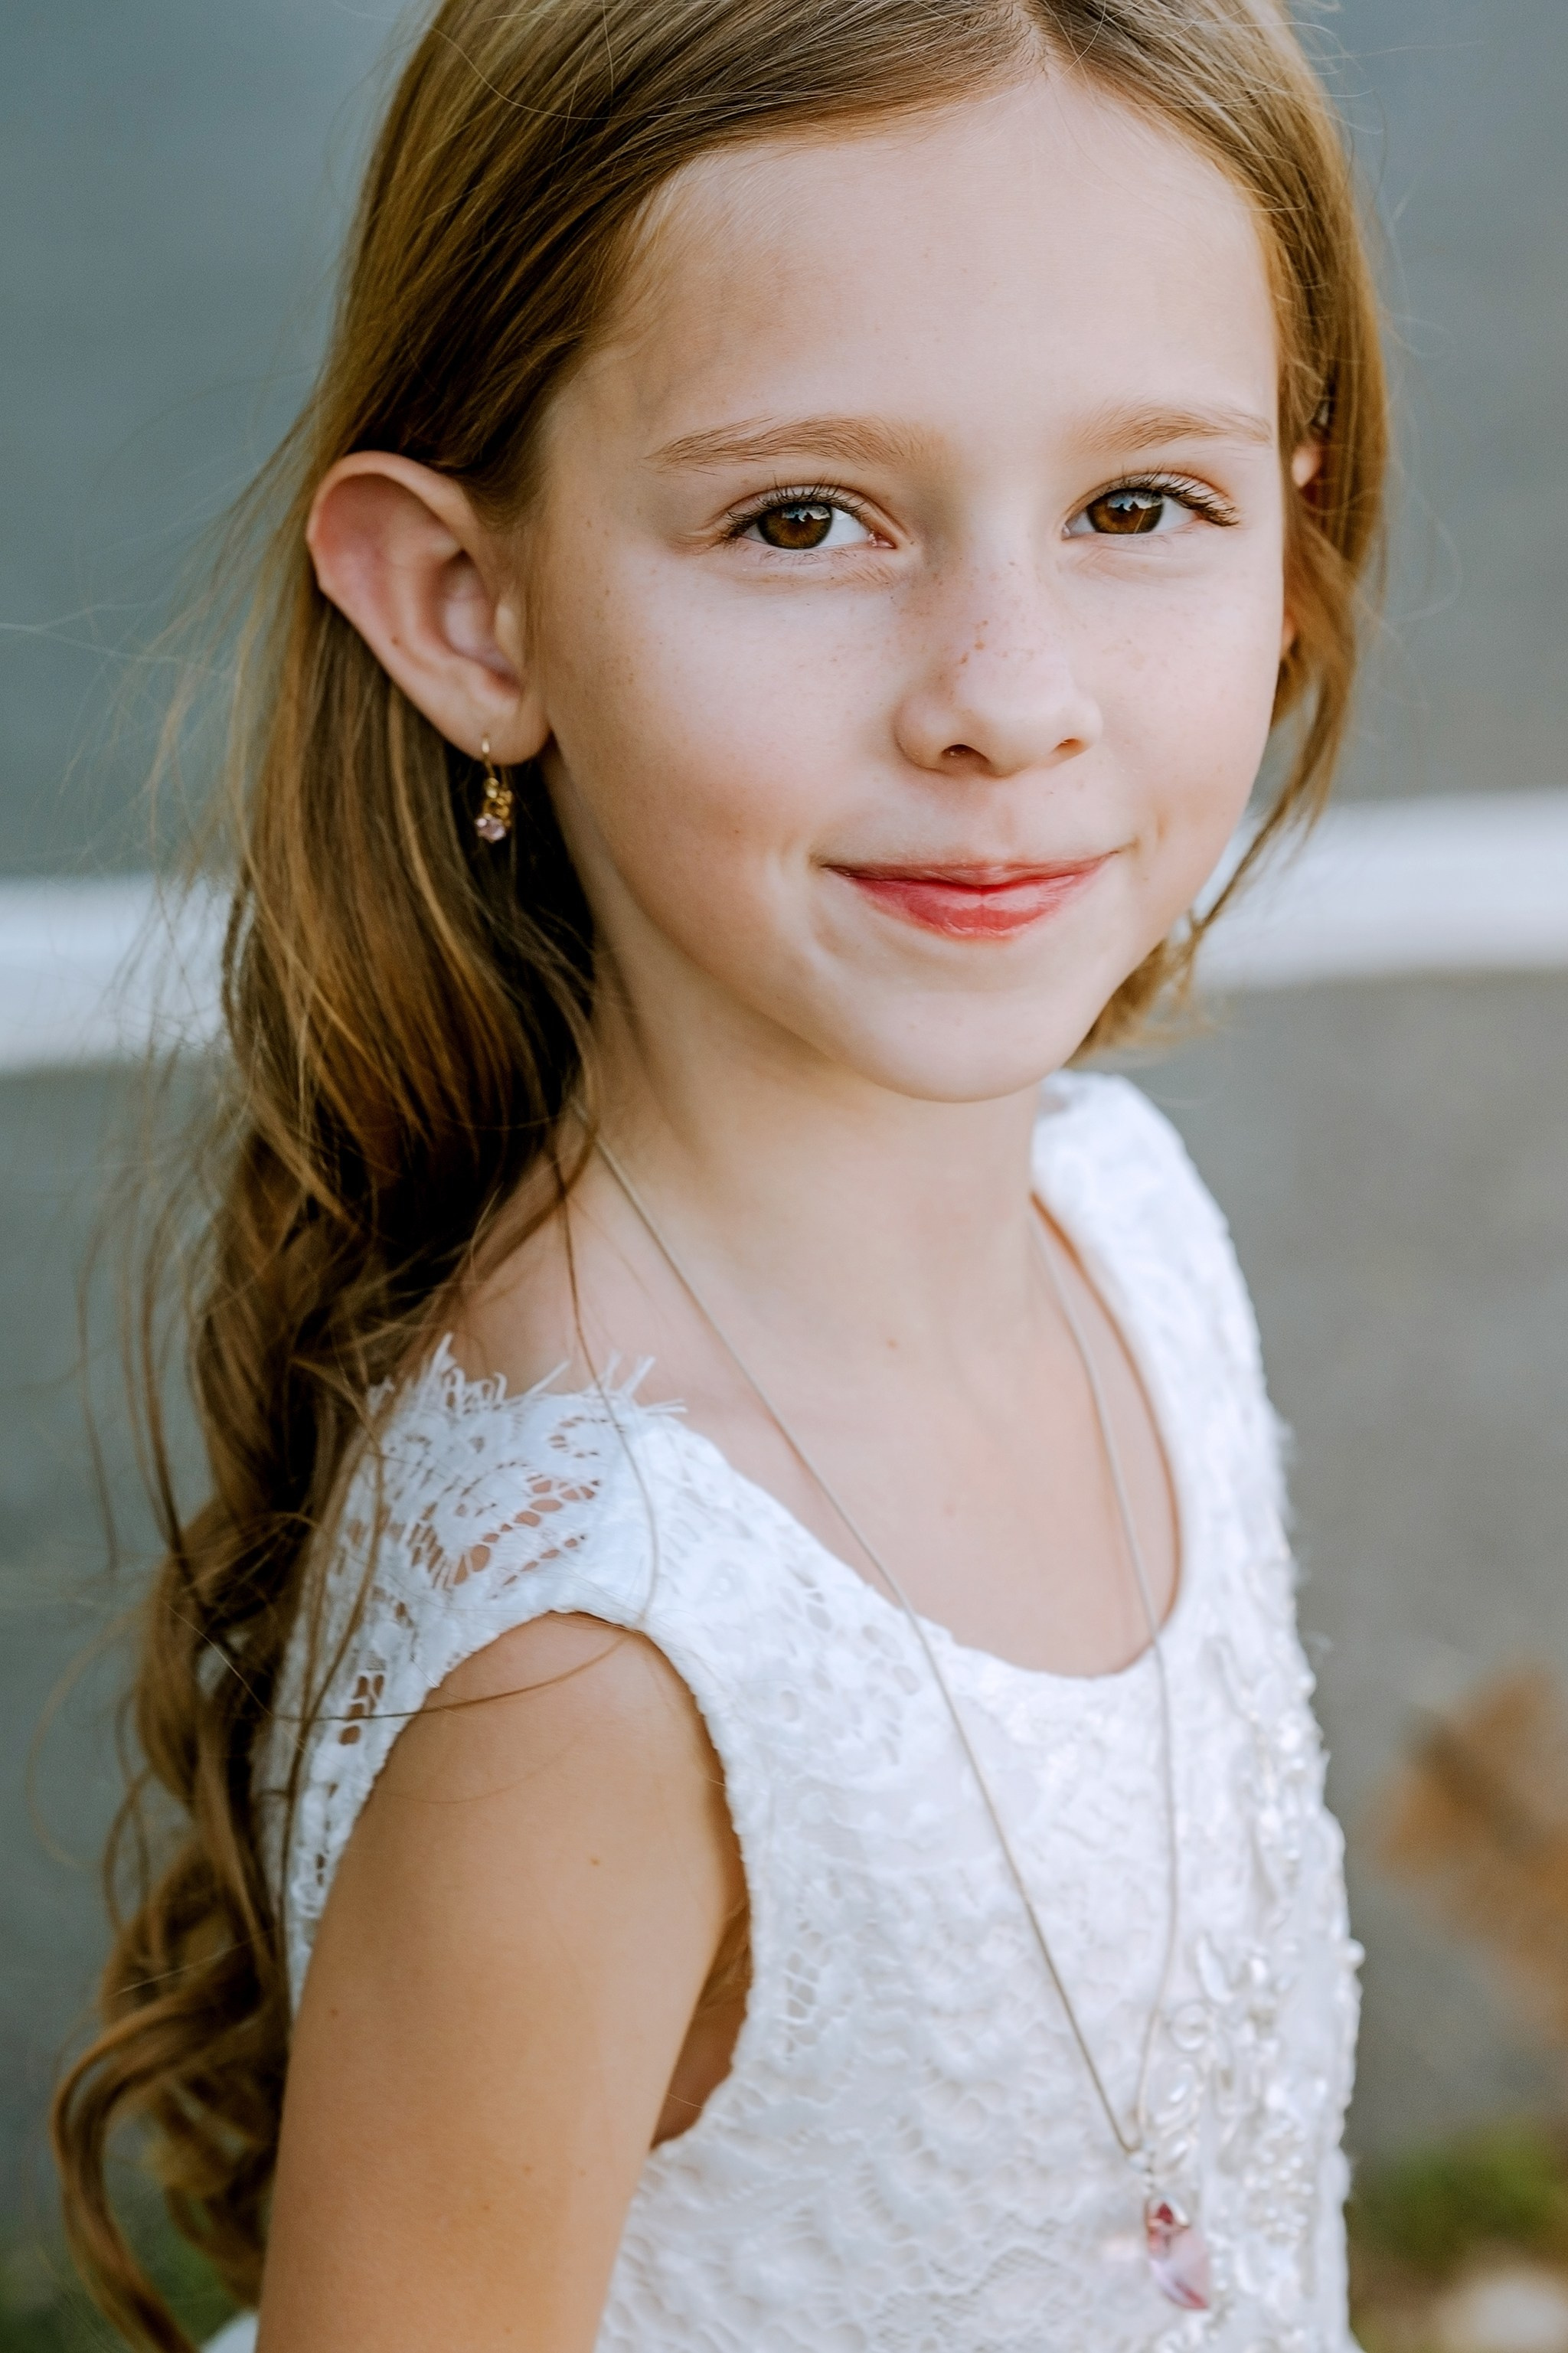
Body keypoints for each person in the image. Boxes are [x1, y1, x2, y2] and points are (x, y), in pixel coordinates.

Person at [52, 0, 1387, 2345]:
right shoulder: (596, 1652)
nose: (1007, 688)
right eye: (804, 517)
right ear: (475, 607)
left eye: (1138, 506)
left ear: (1294, 524)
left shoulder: (1131, 1217)